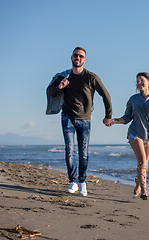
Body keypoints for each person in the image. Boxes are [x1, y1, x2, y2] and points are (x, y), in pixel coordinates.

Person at [46, 47, 114, 196]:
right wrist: (59, 86)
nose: (78, 58)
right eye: (76, 55)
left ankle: (82, 182)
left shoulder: (91, 77)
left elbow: (106, 96)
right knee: (70, 150)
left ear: (84, 59)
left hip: (84, 120)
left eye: (81, 56)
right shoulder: (64, 76)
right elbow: (49, 91)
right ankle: (73, 182)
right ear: (71, 57)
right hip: (67, 117)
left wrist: (108, 115)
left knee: (83, 153)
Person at [111, 72, 149, 200]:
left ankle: (138, 182)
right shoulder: (133, 99)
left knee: (145, 164)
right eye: (137, 81)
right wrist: (114, 121)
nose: (139, 83)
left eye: (141, 80)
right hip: (135, 132)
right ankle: (144, 191)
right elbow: (127, 117)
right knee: (142, 161)